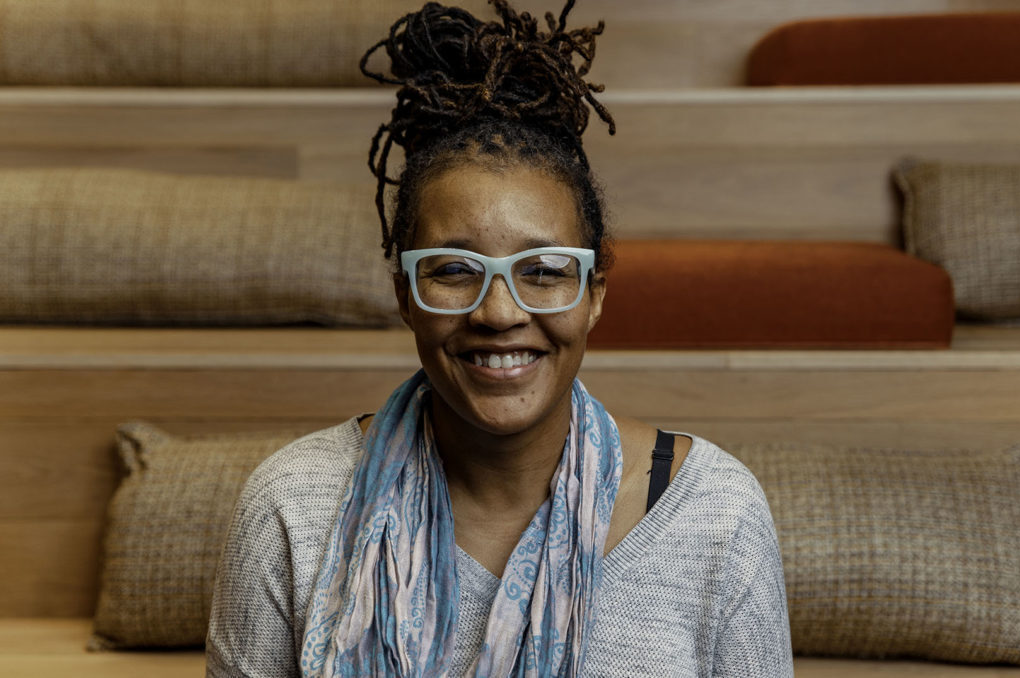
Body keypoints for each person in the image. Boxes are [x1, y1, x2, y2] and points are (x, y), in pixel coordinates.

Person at [205, 1, 792, 676]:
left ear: (595, 294)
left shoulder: (716, 513)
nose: (499, 311)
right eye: (454, 270)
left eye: (543, 270)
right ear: (405, 295)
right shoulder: (291, 507)